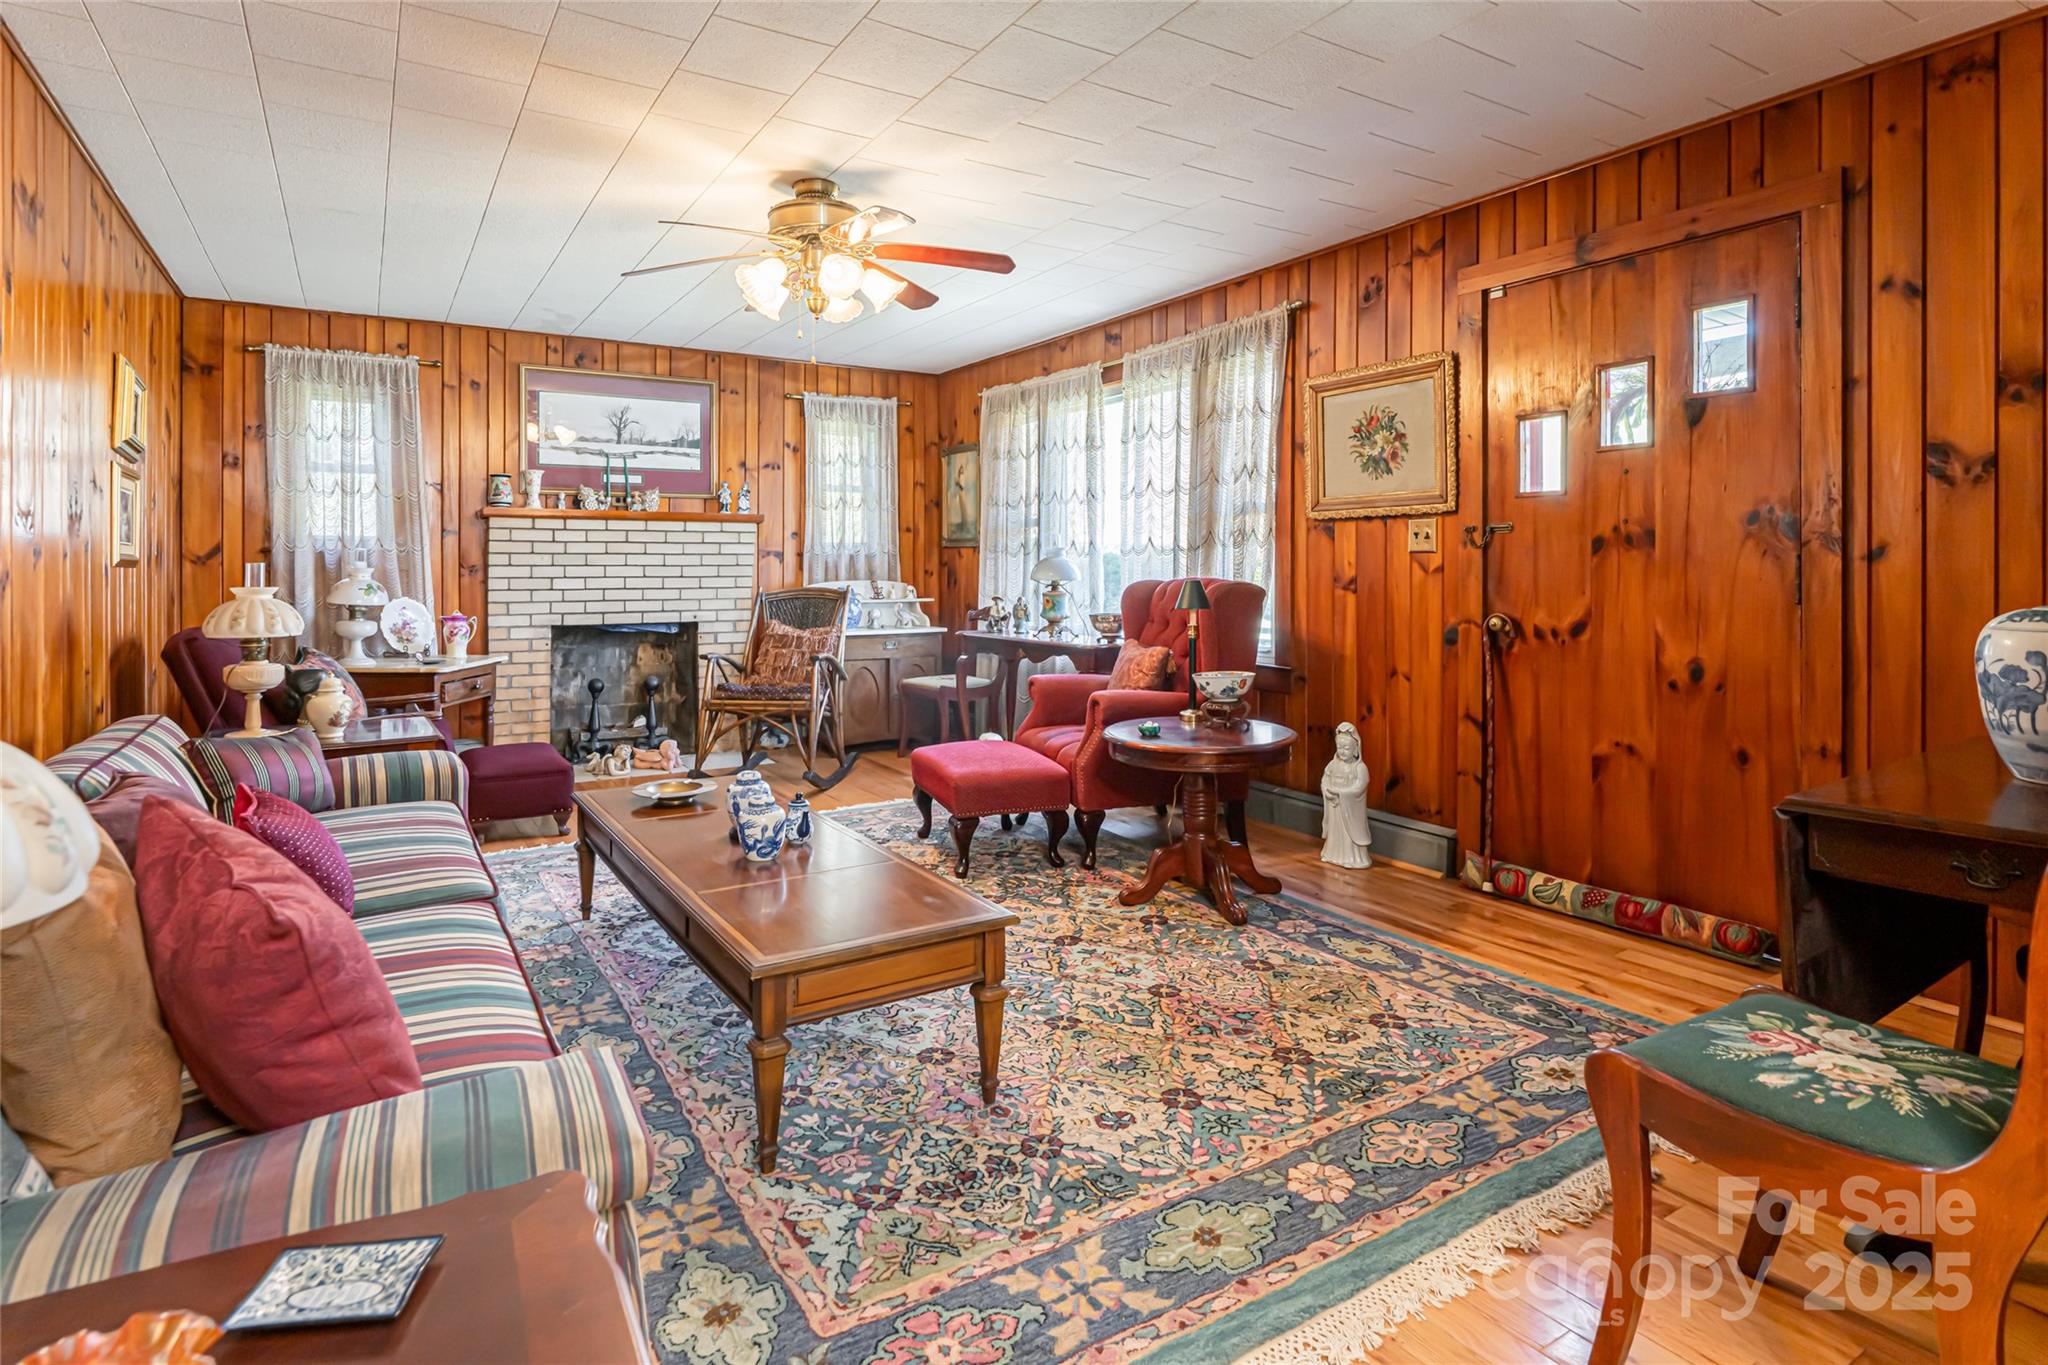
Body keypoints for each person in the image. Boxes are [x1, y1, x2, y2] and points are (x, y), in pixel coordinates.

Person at [1320, 721, 1372, 869]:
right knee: (1335, 831)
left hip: (1350, 809)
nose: (1342, 751)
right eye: (1340, 747)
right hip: (1335, 806)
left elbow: (1359, 788)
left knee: (1348, 833)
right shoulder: (1333, 764)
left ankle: (1353, 857)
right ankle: (1332, 853)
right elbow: (1325, 778)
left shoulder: (1360, 768)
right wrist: (1327, 790)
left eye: (1347, 748)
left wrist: (1340, 793)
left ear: (1356, 749)